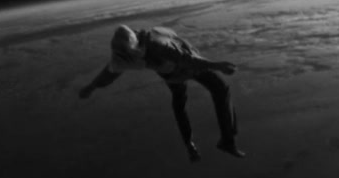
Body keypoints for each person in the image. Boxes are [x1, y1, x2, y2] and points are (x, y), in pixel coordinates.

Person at [79, 25, 245, 162]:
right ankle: (219, 141)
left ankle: (213, 142)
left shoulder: (158, 45)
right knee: (205, 94)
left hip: (181, 69)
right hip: (174, 72)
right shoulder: (122, 53)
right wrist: (91, 86)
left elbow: (187, 60)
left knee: (186, 101)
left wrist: (217, 65)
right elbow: (109, 74)